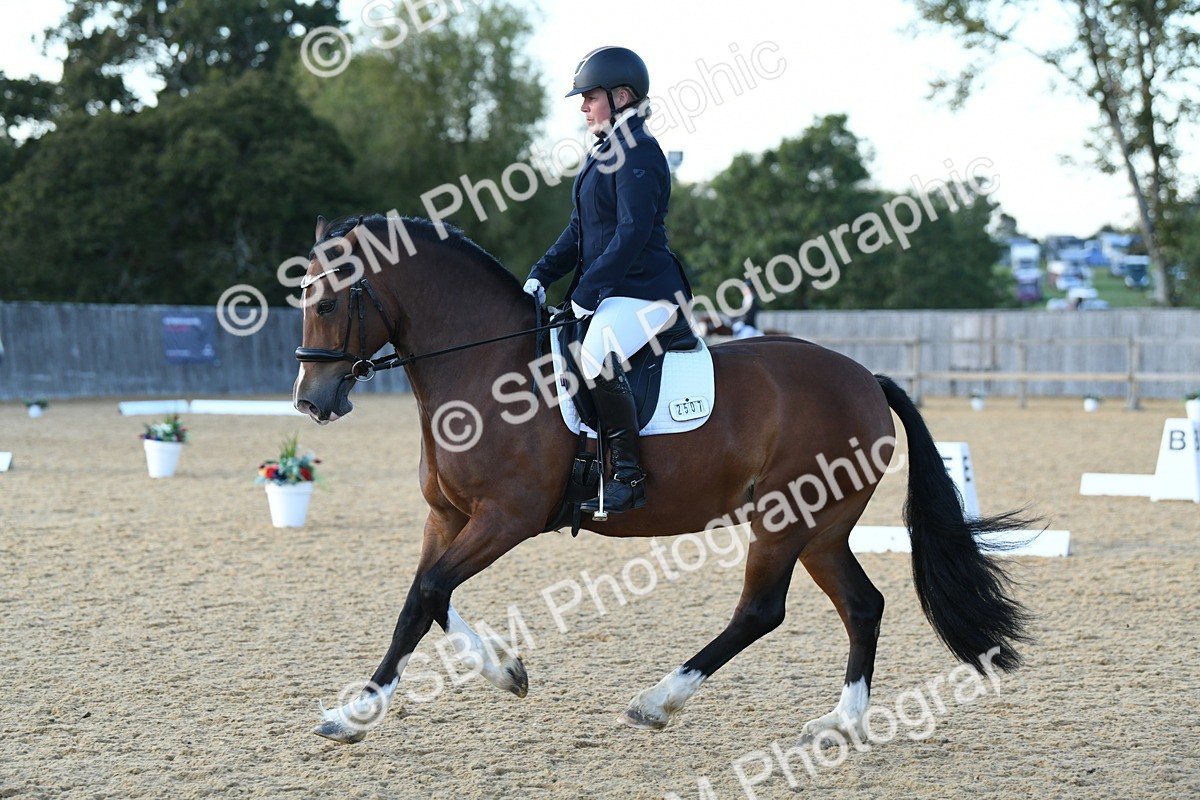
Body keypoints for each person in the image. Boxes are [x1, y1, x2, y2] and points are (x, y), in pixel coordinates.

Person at [523, 45, 691, 515]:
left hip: (647, 291)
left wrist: (586, 293)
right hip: (613, 291)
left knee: (595, 356)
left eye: (589, 97)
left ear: (621, 96)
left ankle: (628, 474)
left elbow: (633, 232)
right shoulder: (605, 151)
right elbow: (581, 230)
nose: (582, 107)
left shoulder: (639, 151)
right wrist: (541, 273)